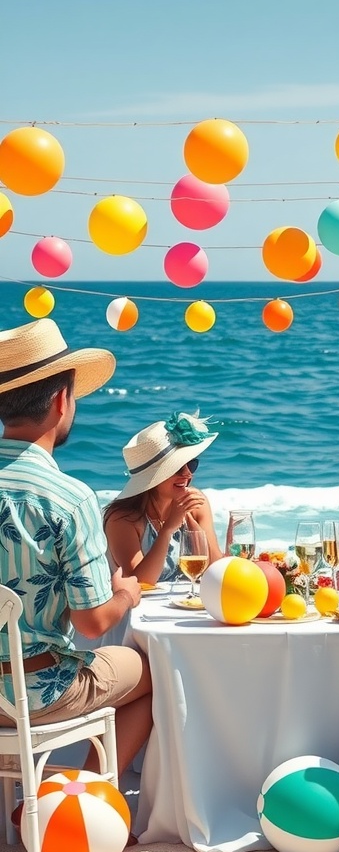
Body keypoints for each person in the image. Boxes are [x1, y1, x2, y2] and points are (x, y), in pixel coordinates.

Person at [0, 319, 152, 784]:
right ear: (62, 400)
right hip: (34, 693)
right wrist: (126, 594)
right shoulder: (69, 499)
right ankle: (80, 793)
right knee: (151, 675)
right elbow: (92, 623)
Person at [104, 412, 222, 585]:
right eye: (177, 468)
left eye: (191, 464)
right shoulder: (122, 519)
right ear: (154, 478)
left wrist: (190, 521)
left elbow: (217, 570)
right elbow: (139, 583)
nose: (188, 474)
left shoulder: (196, 505)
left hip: (183, 604)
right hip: (137, 609)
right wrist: (168, 530)